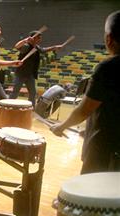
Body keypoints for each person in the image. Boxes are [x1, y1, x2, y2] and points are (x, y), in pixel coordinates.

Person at [51, 10, 120, 174]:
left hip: (105, 150)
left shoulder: (108, 68)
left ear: (109, 39)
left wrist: (62, 126)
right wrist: (88, 130)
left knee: (92, 195)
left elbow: (84, 110)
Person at [10, 31, 63, 106]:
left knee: (33, 93)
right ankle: (7, 106)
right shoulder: (26, 46)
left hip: (30, 75)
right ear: (33, 38)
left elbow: (44, 50)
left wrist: (55, 47)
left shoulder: (37, 47)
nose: (40, 40)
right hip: (21, 74)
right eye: (38, 38)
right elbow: (17, 46)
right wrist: (25, 40)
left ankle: (31, 109)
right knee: (15, 93)